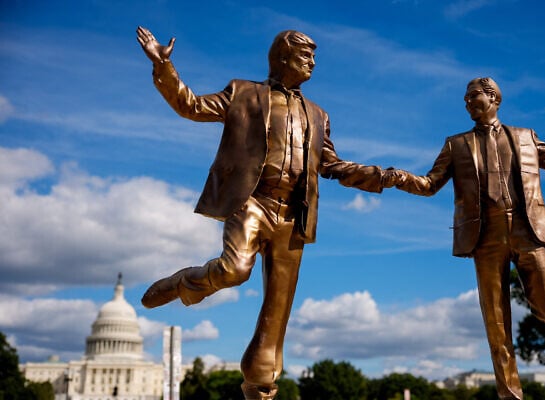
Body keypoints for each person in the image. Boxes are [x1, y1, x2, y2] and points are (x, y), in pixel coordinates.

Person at [136, 27, 402, 399]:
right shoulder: (243, 92)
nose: (312, 62)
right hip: (251, 202)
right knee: (235, 269)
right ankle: (184, 283)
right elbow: (191, 106)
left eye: (313, 56)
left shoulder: (318, 114)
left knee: (277, 309)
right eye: (304, 55)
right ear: (281, 58)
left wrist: (379, 177)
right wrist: (164, 65)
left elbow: (331, 165)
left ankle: (261, 388)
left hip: (293, 215)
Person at [394, 77, 545, 400]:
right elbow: (429, 184)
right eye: (464, 98)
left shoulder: (525, 137)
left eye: (472, 95)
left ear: (493, 98)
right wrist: (399, 177)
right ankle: (511, 396)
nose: (467, 102)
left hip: (526, 231)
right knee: (496, 323)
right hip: (484, 238)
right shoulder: (456, 145)